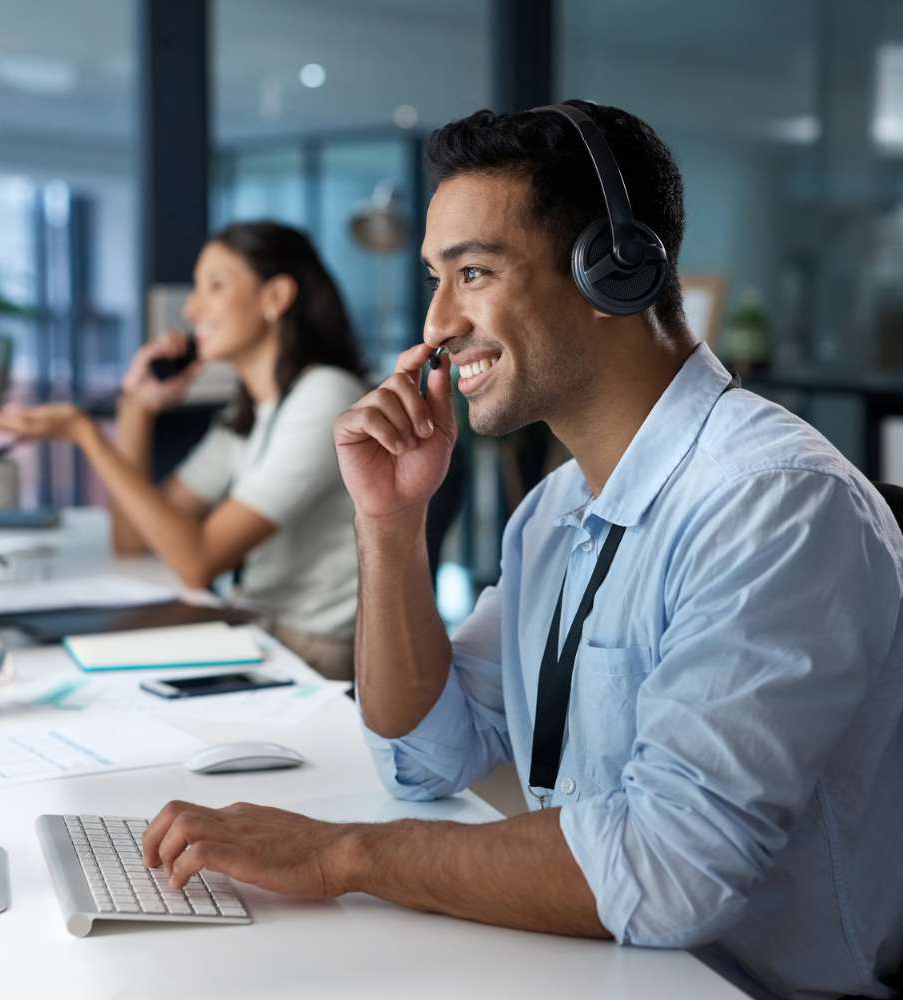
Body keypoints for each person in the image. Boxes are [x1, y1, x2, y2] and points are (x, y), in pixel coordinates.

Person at [139, 103, 903, 999]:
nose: (436, 323)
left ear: (615, 272)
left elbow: (668, 870)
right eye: (436, 278)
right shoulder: (555, 510)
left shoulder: (774, 506)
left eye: (473, 273)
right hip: (589, 961)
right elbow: (423, 757)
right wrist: (389, 527)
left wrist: (339, 853)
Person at [0, 221, 367, 679]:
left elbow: (197, 561)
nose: (193, 310)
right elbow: (134, 540)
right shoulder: (250, 410)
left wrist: (86, 434)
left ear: (275, 298)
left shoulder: (325, 397)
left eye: (214, 287)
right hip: (260, 631)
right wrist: (136, 410)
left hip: (311, 652)